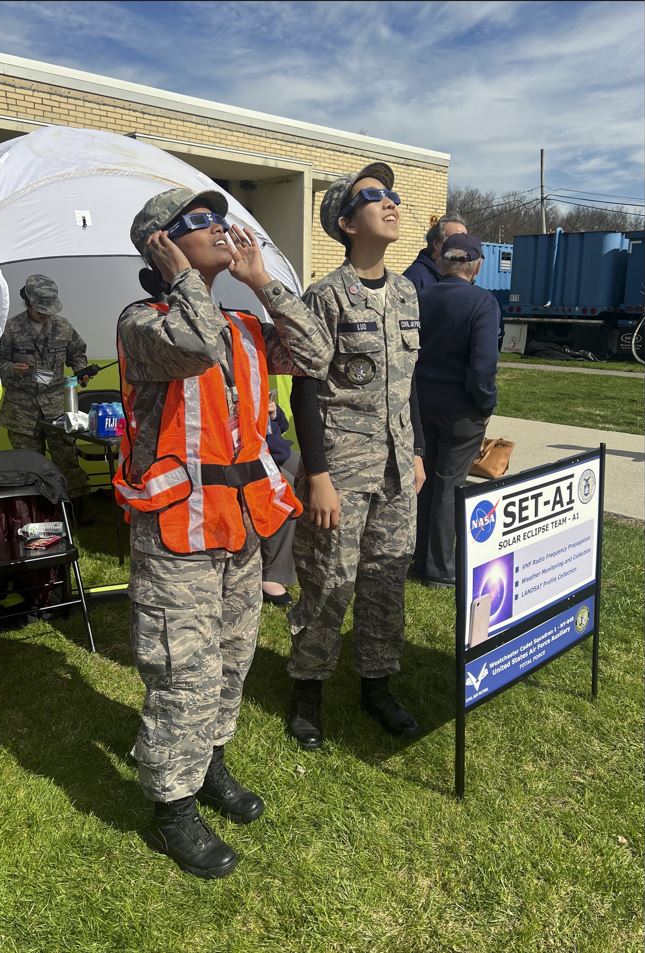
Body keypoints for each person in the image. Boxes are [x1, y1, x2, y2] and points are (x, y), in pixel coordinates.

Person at [114, 188, 331, 879]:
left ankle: (209, 764)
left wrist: (264, 284)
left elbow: (316, 355)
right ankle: (171, 805)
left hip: (239, 525)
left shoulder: (239, 319)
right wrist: (182, 277)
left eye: (219, 217)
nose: (221, 228)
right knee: (185, 669)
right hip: (177, 530)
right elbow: (194, 341)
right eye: (198, 223)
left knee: (233, 656)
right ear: (161, 244)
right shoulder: (141, 321)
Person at [286, 162, 426, 751]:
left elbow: (407, 380)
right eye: (374, 198)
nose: (390, 202)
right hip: (340, 467)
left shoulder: (407, 291)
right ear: (346, 223)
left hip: (397, 468)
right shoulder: (325, 296)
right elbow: (304, 386)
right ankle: (306, 691)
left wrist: (415, 448)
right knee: (328, 579)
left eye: (392, 195)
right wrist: (316, 473)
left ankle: (376, 685)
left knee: (385, 579)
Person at [413, 233, 500, 588]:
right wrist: (486, 405)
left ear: (441, 262)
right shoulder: (482, 302)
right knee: (449, 485)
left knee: (425, 483)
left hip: (421, 405)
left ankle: (419, 556)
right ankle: (439, 568)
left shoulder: (418, 298)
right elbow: (482, 366)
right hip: (462, 410)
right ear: (476, 265)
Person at [0, 275, 93, 524]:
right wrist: (9, 368)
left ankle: (75, 511)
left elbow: (77, 353)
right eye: (40, 311)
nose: (45, 315)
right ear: (27, 302)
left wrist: (81, 371)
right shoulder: (10, 329)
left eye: (48, 311)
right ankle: (35, 513)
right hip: (21, 409)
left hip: (57, 407)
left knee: (67, 458)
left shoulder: (63, 327)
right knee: (28, 464)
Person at [261, 393, 297, 606]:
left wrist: (274, 413)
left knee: (316, 472)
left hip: (277, 450)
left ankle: (307, 552)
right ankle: (272, 573)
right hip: (253, 455)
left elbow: (280, 427)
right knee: (287, 489)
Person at [403, 214, 468, 291]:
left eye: (466, 240)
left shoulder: (459, 277)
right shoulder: (414, 278)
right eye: (456, 239)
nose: (463, 245)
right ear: (437, 243)